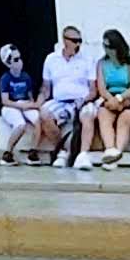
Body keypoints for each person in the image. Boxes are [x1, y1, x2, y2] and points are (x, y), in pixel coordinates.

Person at [73, 31, 130, 167]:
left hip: (127, 97)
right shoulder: (101, 63)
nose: (106, 50)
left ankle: (118, 151)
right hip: (109, 97)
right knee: (103, 115)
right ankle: (110, 149)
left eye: (109, 46)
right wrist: (112, 100)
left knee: (125, 118)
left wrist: (120, 99)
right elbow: (102, 87)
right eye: (104, 46)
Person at [35, 26, 98, 164]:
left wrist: (83, 100)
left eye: (80, 41)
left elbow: (93, 89)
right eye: (74, 41)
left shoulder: (87, 59)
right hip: (60, 101)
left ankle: (83, 154)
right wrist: (37, 103)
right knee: (44, 114)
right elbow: (46, 88)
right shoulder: (51, 59)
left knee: (87, 115)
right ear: (65, 41)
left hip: (82, 99)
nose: (78, 44)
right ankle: (63, 150)